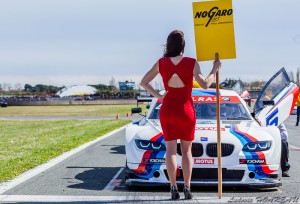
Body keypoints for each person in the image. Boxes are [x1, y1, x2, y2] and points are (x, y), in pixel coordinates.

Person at [140, 30, 221, 200]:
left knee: (170, 151)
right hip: (186, 110)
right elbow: (206, 84)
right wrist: (214, 69)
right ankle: (187, 187)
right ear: (183, 45)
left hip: (168, 109)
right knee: (186, 151)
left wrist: (160, 96)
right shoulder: (191, 63)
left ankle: (173, 187)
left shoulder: (161, 63)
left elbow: (144, 82)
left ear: (168, 45)